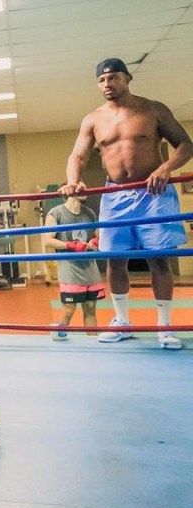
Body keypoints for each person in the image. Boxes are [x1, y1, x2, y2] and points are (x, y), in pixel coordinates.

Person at [60, 57, 193, 349]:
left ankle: (165, 326)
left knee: (159, 259)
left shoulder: (153, 109)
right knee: (115, 259)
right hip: (115, 196)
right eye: (101, 80)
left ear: (127, 78)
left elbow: (186, 145)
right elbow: (78, 156)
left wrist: (166, 167)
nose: (107, 84)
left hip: (154, 193)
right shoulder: (93, 119)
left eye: (113, 78)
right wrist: (73, 180)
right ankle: (122, 321)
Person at [42, 196, 105, 338]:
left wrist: (96, 241)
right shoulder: (55, 213)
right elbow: (48, 240)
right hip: (69, 268)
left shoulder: (89, 213)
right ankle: (59, 339)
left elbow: (98, 235)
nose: (85, 191)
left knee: (90, 307)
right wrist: (70, 245)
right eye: (80, 186)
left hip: (89, 267)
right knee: (69, 307)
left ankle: (92, 341)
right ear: (70, 190)